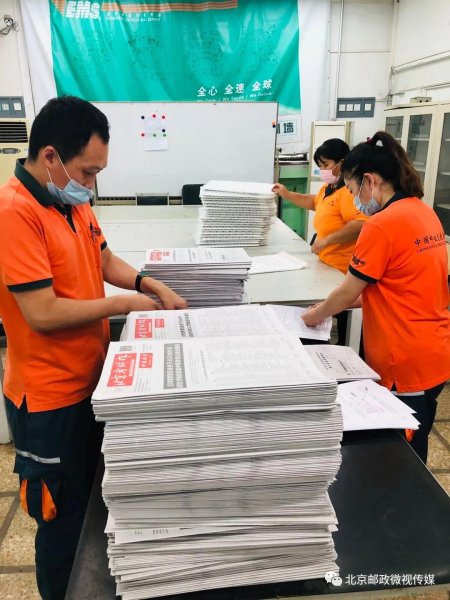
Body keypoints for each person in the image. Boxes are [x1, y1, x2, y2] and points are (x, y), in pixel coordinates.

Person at [0, 96, 187, 600]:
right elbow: (41, 312)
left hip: (92, 383)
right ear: (50, 156)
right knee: (61, 524)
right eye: (87, 171)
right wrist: (123, 304)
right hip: (48, 401)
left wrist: (148, 283)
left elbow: (103, 259)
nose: (92, 183)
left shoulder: (71, 201)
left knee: (92, 509)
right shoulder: (14, 212)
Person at [302, 131, 450, 463]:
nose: (355, 199)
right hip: (435, 350)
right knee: (416, 440)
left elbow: (348, 292)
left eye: (353, 189)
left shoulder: (381, 225)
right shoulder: (423, 212)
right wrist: (328, 307)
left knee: (399, 454)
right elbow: (391, 287)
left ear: (369, 180)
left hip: (403, 359)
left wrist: (313, 316)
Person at [273, 138, 368, 344]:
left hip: (342, 271)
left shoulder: (347, 193)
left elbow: (361, 223)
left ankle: (342, 345)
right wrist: (287, 194)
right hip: (325, 266)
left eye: (326, 165)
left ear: (341, 163)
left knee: (341, 315)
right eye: (320, 166)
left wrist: (326, 241)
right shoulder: (329, 188)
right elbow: (314, 202)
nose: (323, 170)